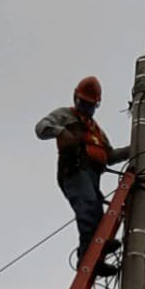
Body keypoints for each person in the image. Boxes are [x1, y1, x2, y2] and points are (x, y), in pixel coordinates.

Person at [35, 76, 131, 275]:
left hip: (92, 175)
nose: (86, 108)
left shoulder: (96, 131)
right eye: (83, 103)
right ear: (76, 98)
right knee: (88, 207)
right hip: (75, 170)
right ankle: (88, 256)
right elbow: (41, 128)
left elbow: (110, 155)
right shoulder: (65, 115)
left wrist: (134, 148)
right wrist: (61, 131)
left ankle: (96, 256)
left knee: (97, 213)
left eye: (90, 105)